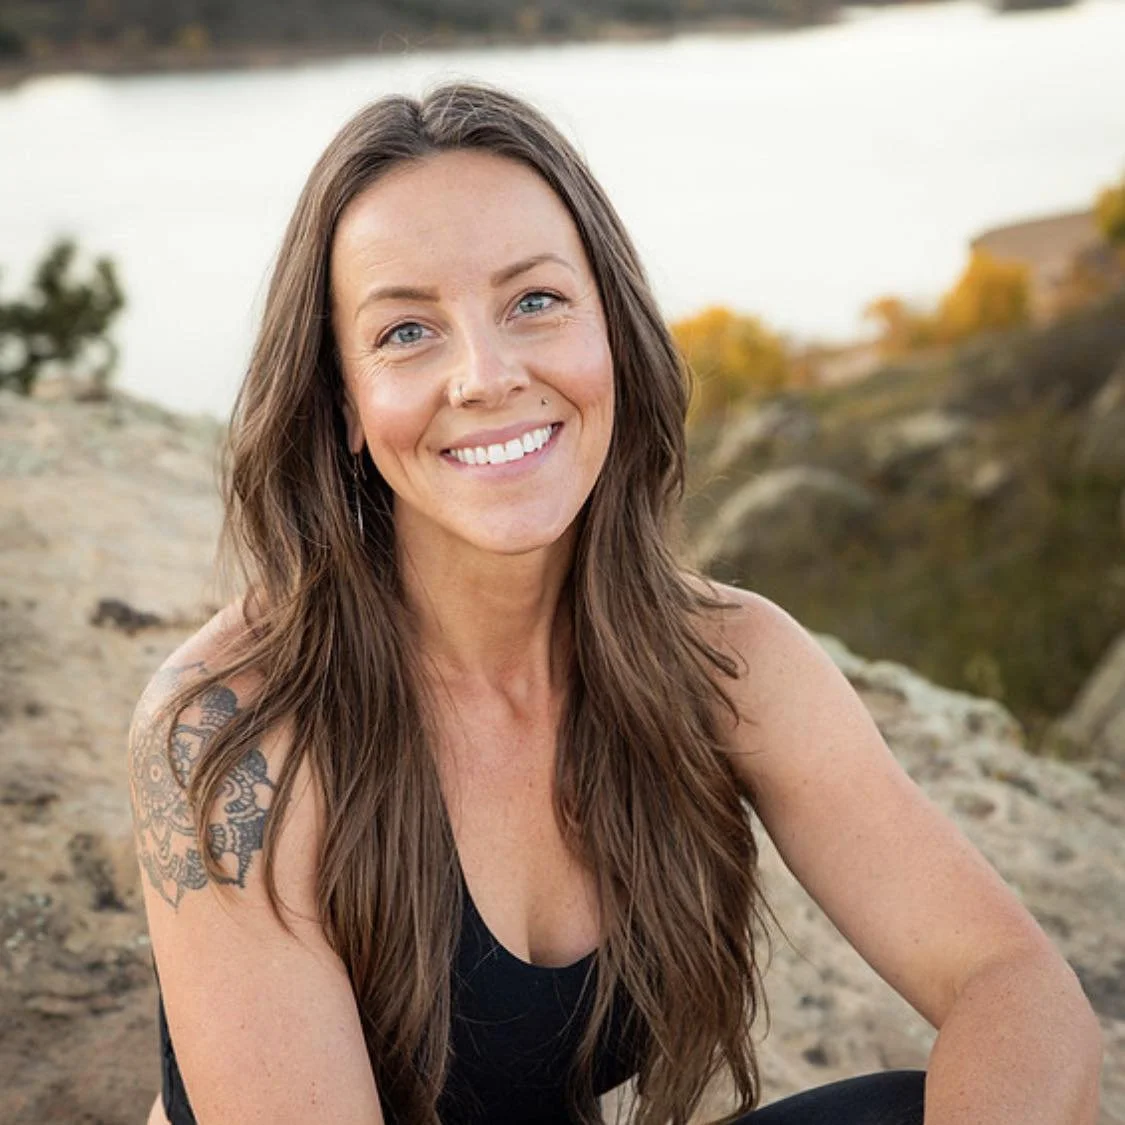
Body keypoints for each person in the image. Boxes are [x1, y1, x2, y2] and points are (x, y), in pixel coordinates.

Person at [128, 81, 1101, 1125]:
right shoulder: (235, 733)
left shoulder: (727, 660)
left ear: (613, 335)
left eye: (534, 302)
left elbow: (1012, 982)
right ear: (345, 406)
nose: (486, 376)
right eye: (407, 332)